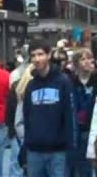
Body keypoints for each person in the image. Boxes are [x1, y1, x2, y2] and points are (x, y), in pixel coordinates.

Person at [21, 43, 73, 177]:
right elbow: (27, 118)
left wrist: (70, 148)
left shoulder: (63, 82)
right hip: (34, 151)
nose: (37, 59)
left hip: (58, 151)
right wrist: (25, 147)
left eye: (40, 54)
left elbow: (69, 116)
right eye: (33, 56)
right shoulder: (30, 86)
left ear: (48, 55)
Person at [70, 48, 97, 177]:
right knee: (81, 168)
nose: (87, 62)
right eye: (83, 59)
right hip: (77, 131)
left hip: (95, 129)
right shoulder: (71, 82)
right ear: (76, 63)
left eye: (89, 58)